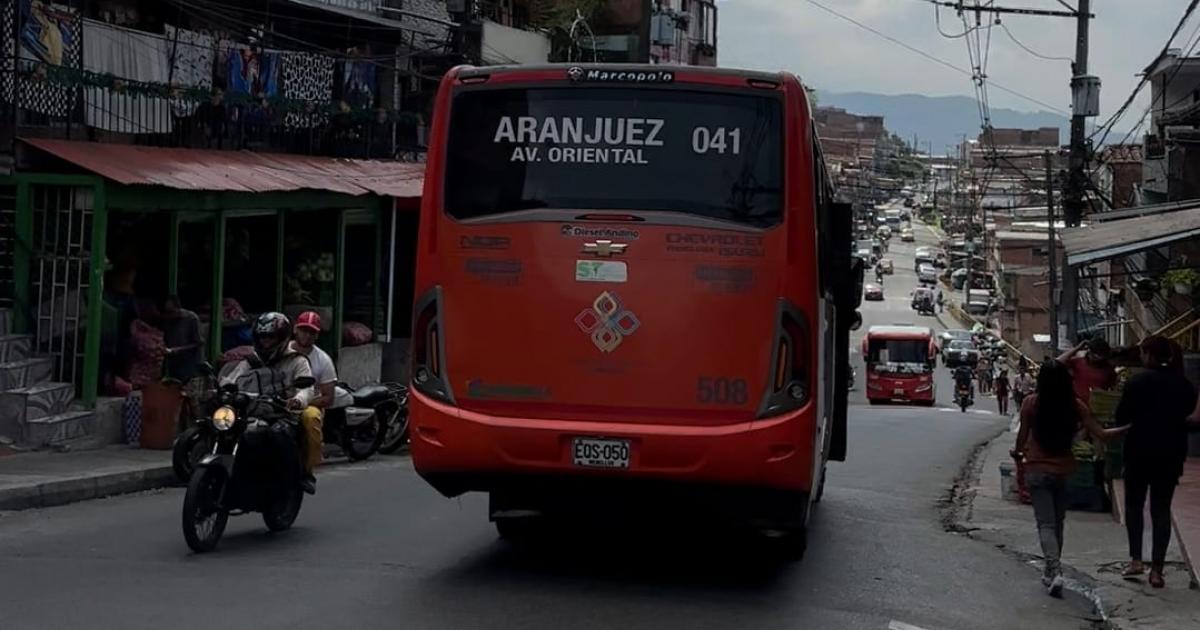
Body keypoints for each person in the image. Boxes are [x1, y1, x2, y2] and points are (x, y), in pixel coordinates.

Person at [1012, 360, 1128, 597]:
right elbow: (1102, 434)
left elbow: (1021, 439)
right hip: (1063, 472)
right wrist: (1129, 427)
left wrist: (1018, 452)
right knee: (1058, 522)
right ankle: (1052, 571)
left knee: (1045, 524)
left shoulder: (1031, 403)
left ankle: (1053, 571)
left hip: (1037, 470)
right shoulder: (1076, 406)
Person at [1115, 336, 1200, 588]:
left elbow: (1121, 417)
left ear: (1150, 355)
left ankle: (1136, 560)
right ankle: (1157, 571)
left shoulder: (1136, 382)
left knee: (1134, 506)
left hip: (1138, 453)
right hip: (1170, 455)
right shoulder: (1184, 385)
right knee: (1161, 509)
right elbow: (1191, 422)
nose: (1141, 357)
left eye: (1143, 352)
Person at [219, 312, 321, 494]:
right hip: (252, 409)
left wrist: (297, 400)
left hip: (283, 412)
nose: (265, 341)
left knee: (282, 431)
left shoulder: (296, 360)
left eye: (270, 337)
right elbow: (234, 377)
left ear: (281, 338)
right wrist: (224, 388)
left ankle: (301, 473)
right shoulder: (252, 360)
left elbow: (307, 388)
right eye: (262, 337)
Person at [288, 311, 338, 486]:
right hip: (278, 402)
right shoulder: (282, 351)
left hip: (307, 405)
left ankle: (308, 469)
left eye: (312, 332)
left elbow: (328, 398)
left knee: (311, 419)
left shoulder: (323, 360)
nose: (307, 335)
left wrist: (300, 401)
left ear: (317, 335)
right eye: (304, 330)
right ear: (295, 330)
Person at [1057, 337, 1117, 403]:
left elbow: (1113, 388)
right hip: (1078, 404)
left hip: (1097, 404)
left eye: (1101, 356)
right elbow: (1058, 362)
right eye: (1096, 356)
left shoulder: (1108, 369)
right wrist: (1078, 348)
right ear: (1090, 352)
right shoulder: (1078, 362)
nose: (1098, 358)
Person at [158, 295, 203, 383]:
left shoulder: (191, 318)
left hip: (190, 363)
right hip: (173, 363)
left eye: (171, 312)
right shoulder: (167, 320)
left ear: (178, 308)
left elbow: (199, 343)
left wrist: (178, 349)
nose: (169, 316)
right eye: (166, 313)